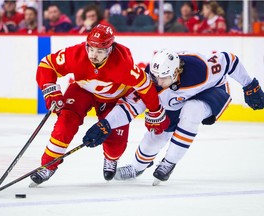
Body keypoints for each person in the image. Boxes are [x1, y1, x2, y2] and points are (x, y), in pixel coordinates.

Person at [29, 24, 169, 186]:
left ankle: (111, 158)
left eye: (100, 51)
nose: (93, 55)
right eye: (91, 48)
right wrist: (50, 90)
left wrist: (155, 112)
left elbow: (145, 87)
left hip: (113, 99)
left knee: (116, 144)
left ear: (109, 50)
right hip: (82, 90)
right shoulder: (76, 53)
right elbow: (47, 64)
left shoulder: (123, 64)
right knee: (65, 123)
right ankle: (48, 165)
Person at [114, 49, 264, 185]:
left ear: (175, 72)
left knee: (192, 110)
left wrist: (249, 85)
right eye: (155, 77)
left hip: (210, 91)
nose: (158, 82)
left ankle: (169, 162)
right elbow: (132, 104)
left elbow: (230, 60)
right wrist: (107, 124)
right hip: (175, 99)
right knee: (157, 135)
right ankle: (137, 167)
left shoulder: (200, 69)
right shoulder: (152, 79)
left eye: (163, 77)